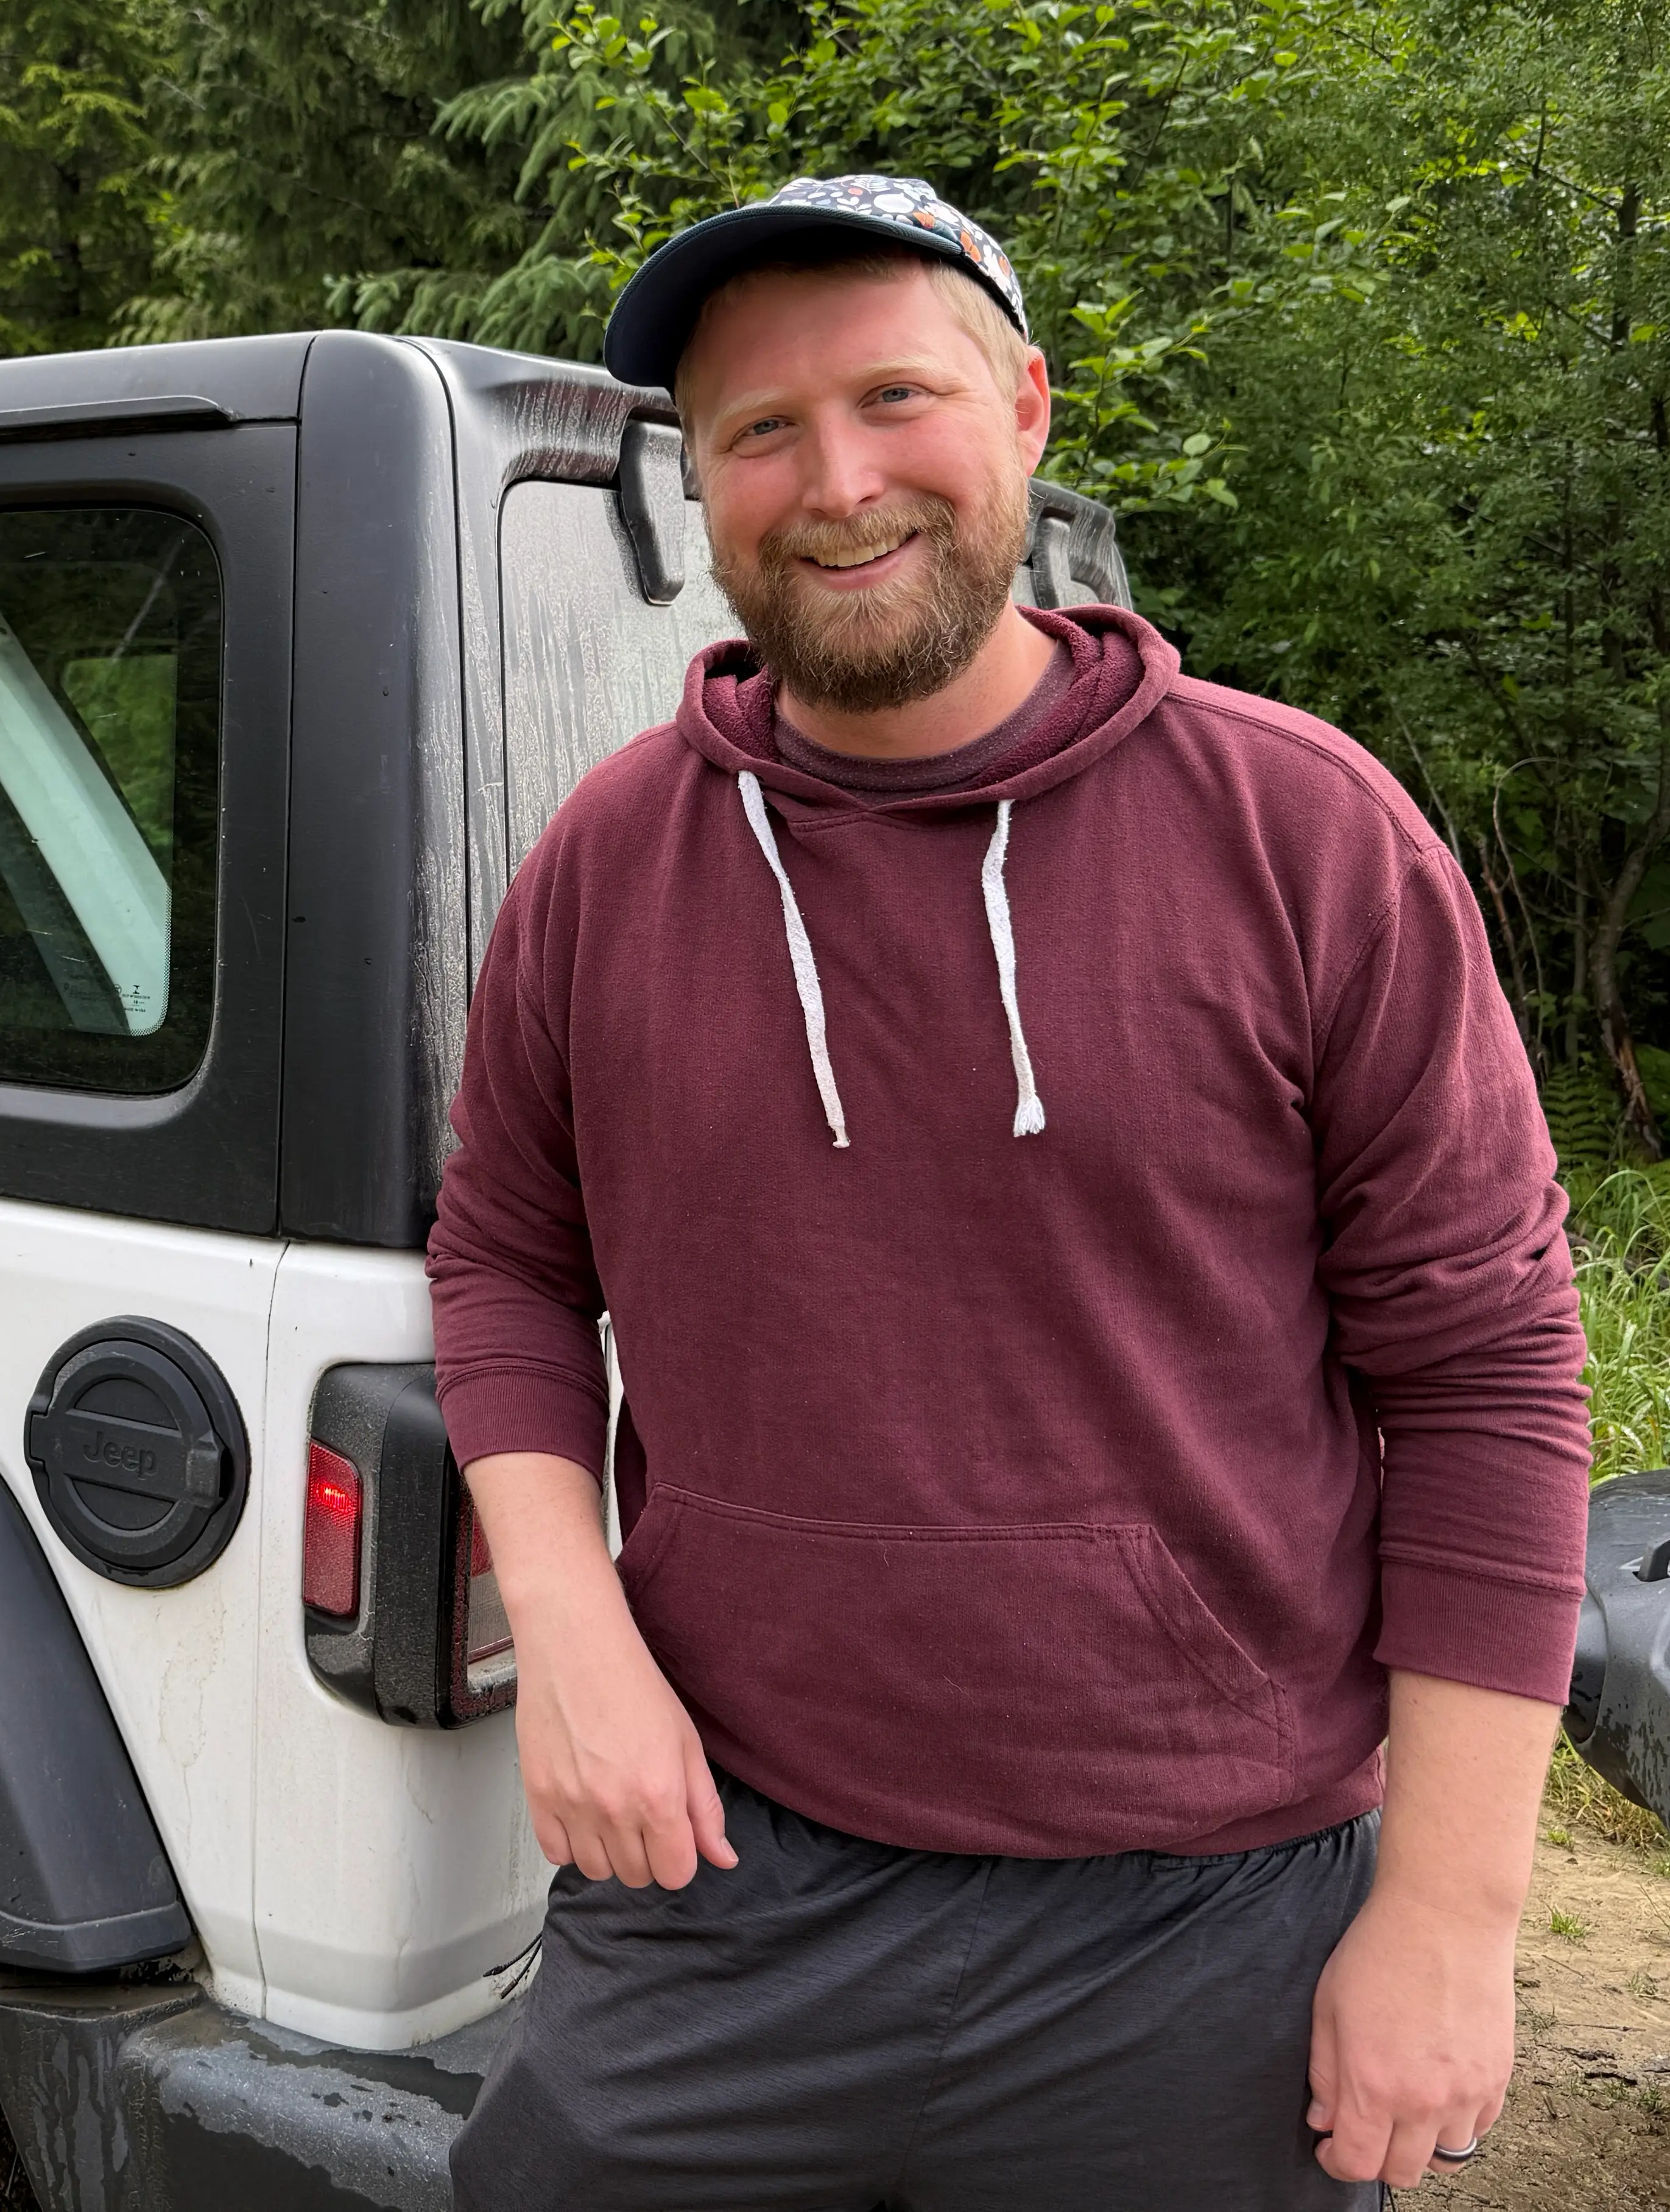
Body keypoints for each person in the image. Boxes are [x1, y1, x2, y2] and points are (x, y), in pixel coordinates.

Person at [430, 174, 1592, 2210]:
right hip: (727, 1868)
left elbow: (1491, 1379)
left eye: (898, 396)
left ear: (1030, 411)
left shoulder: (1306, 838)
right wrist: (576, 1628)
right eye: (759, 431)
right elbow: (511, 1260)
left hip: (1206, 1912)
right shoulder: (611, 864)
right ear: (693, 482)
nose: (838, 479)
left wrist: (1453, 1914)